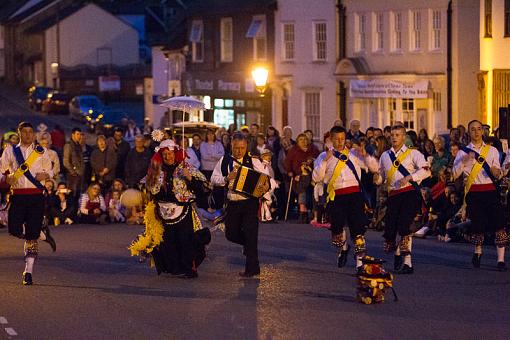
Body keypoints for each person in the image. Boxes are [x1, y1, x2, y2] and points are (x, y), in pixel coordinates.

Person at [132, 139, 210, 278]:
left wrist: (190, 178)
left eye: (171, 153)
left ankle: (188, 269)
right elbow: (145, 187)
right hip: (163, 213)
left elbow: (204, 187)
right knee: (168, 242)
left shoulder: (186, 167)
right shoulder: (156, 170)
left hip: (183, 210)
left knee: (185, 241)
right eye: (165, 154)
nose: (168, 157)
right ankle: (174, 268)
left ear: (176, 153)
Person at [313, 126, 379, 272]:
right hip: (336, 195)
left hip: (355, 194)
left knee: (358, 229)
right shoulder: (323, 156)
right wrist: (325, 161)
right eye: (337, 139)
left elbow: (374, 168)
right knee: (336, 228)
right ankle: (344, 247)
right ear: (331, 139)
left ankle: (360, 264)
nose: (340, 142)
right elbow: (317, 177)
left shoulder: (354, 154)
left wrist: (366, 155)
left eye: (342, 138)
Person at [0, 122, 56, 285]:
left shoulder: (41, 151)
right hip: (17, 196)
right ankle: (42, 233)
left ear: (34, 134)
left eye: (30, 132)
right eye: (24, 132)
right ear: (19, 133)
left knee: (31, 235)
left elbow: (51, 170)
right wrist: (5, 178)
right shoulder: (10, 151)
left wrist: (45, 175)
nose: (27, 135)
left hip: (36, 196)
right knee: (14, 229)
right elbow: (1, 168)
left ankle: (28, 272)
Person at [211, 133, 271, 277]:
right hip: (233, 202)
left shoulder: (254, 161)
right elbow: (214, 179)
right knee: (230, 233)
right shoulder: (224, 160)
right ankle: (248, 244)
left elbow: (266, 178)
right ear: (231, 145)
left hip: (250, 202)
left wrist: (265, 185)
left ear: (246, 147)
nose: (239, 151)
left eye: (242, 148)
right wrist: (226, 178)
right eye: (236, 148)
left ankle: (252, 269)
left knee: (251, 234)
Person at [374, 124, 431, 274]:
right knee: (391, 229)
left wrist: (410, 177)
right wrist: (377, 179)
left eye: (397, 135)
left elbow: (426, 171)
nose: (394, 137)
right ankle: (398, 251)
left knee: (404, 225)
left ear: (404, 137)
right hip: (393, 195)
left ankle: (408, 262)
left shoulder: (414, 154)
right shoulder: (385, 156)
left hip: (410, 193)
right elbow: (382, 178)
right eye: (392, 135)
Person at [453, 120, 508, 271]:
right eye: (473, 129)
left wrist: (497, 172)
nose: (476, 132)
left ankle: (501, 260)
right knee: (478, 224)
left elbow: (497, 170)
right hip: (474, 192)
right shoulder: (462, 152)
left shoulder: (492, 150)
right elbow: (454, 174)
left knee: (499, 223)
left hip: (490, 191)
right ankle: (478, 251)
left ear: (483, 131)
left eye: (479, 129)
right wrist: (463, 162)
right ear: (468, 133)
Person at [63, 128, 84, 201]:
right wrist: (72, 171)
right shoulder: (68, 145)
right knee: (71, 195)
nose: (79, 136)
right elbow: (66, 161)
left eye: (80, 134)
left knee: (78, 195)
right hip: (72, 176)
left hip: (79, 175)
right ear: (73, 135)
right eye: (77, 134)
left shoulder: (78, 145)